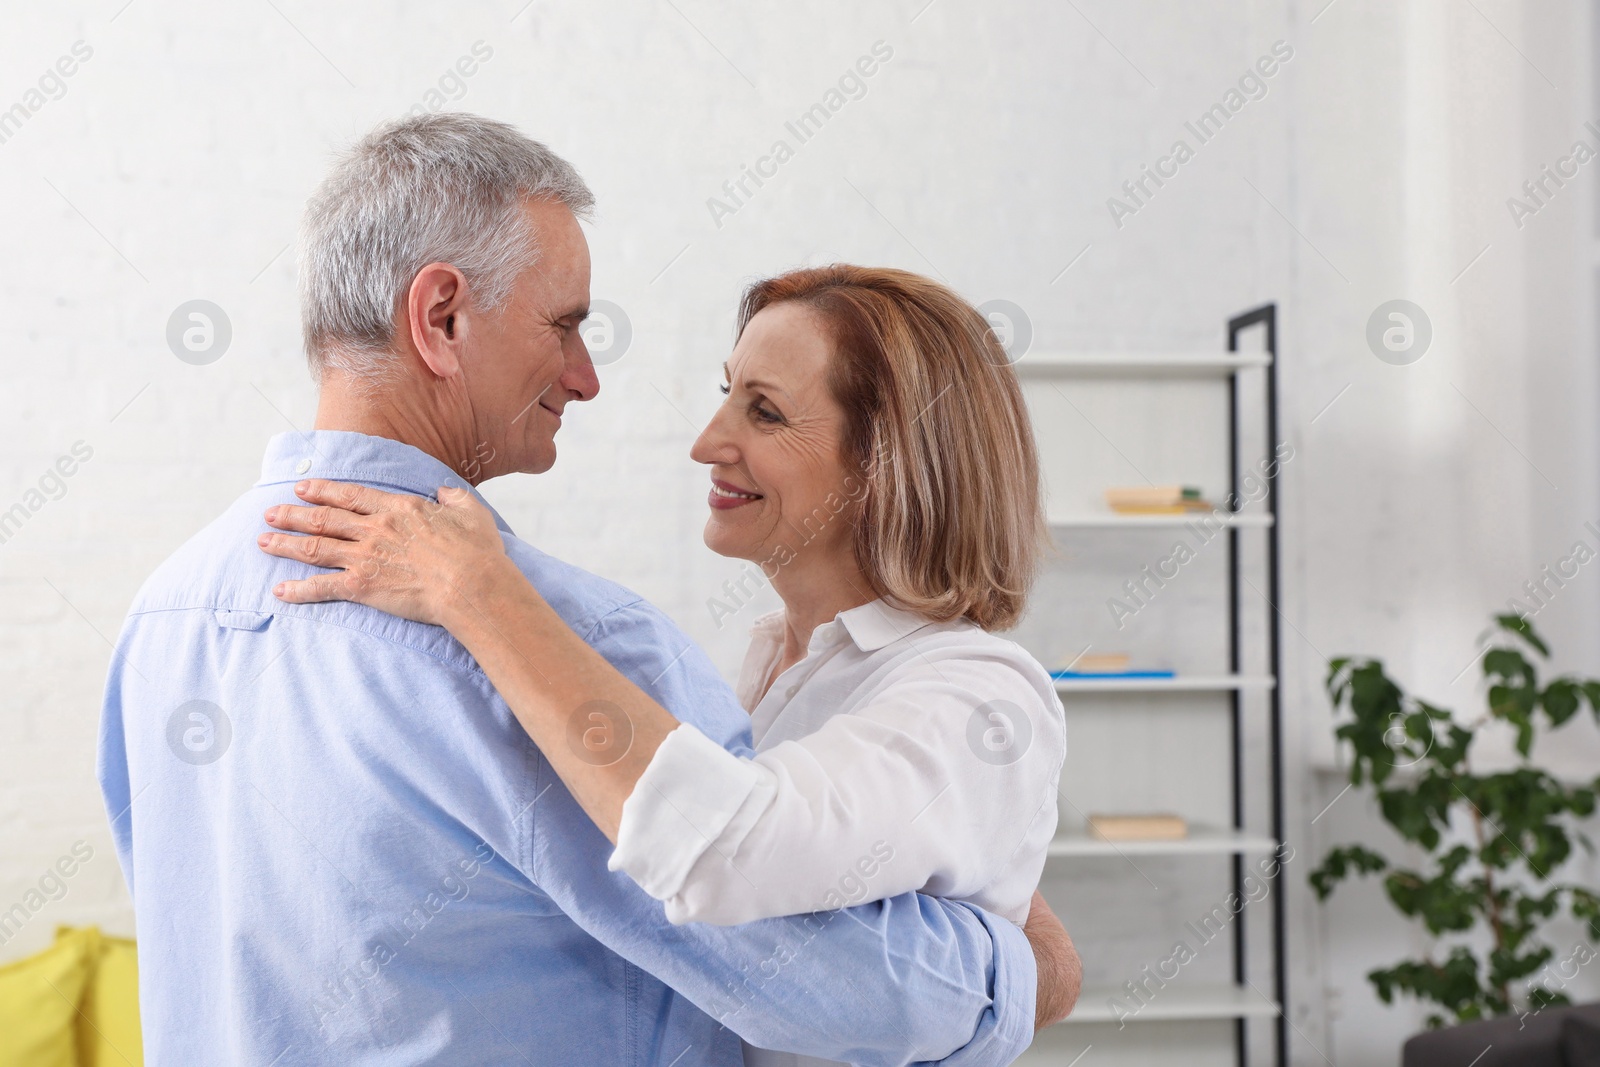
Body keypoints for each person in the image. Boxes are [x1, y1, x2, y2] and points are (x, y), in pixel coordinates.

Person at [98, 112, 1077, 1067]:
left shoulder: (168, 614)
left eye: (764, 407)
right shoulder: (562, 645)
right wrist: (1020, 968)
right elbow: (835, 979)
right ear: (441, 317)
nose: (587, 377)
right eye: (566, 325)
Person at [258, 265, 1070, 946]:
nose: (707, 440)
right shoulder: (768, 659)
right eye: (727, 394)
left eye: (766, 410)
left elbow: (726, 855)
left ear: (886, 464)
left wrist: (478, 592)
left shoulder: (981, 694)